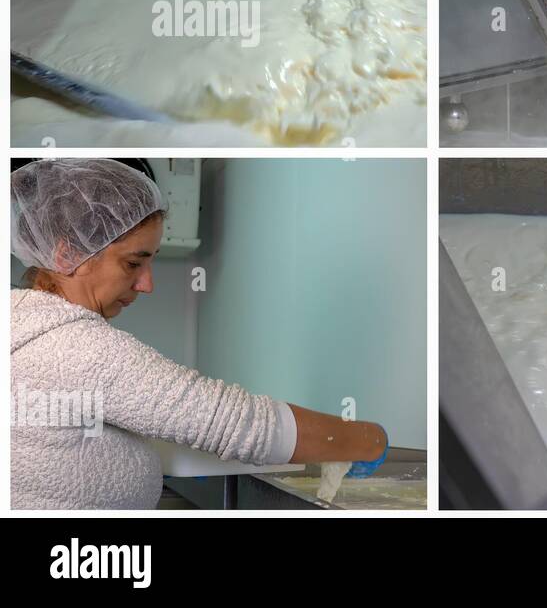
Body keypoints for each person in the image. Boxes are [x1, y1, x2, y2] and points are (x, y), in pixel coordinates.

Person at [10, 159, 387, 509]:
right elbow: (238, 423)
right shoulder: (77, 347)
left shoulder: (25, 325)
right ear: (65, 254)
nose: (147, 284)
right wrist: (370, 440)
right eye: (133, 263)